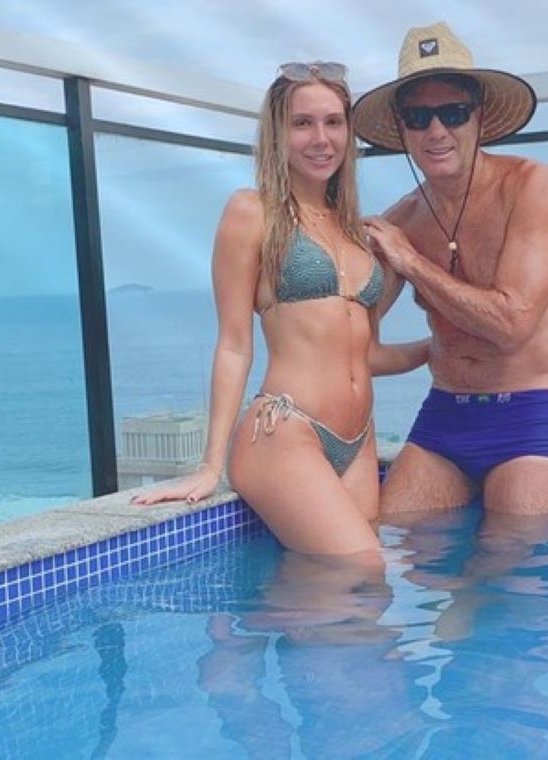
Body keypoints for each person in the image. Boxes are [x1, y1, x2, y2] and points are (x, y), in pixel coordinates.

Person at [133, 61, 428, 558]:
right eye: (302, 123)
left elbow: (366, 355)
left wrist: (435, 349)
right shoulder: (252, 212)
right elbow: (234, 345)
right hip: (286, 430)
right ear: (277, 133)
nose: (321, 138)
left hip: (358, 438)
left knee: (361, 596)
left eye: (333, 122)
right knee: (361, 570)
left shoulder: (354, 230)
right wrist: (210, 466)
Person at [356, 22, 548, 517]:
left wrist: (412, 262)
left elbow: (512, 324)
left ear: (478, 117)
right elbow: (353, 343)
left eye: (453, 113)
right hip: (445, 413)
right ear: (402, 129)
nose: (436, 131)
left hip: (532, 409)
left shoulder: (532, 186)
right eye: (418, 117)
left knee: (512, 553)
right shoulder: (402, 221)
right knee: (388, 541)